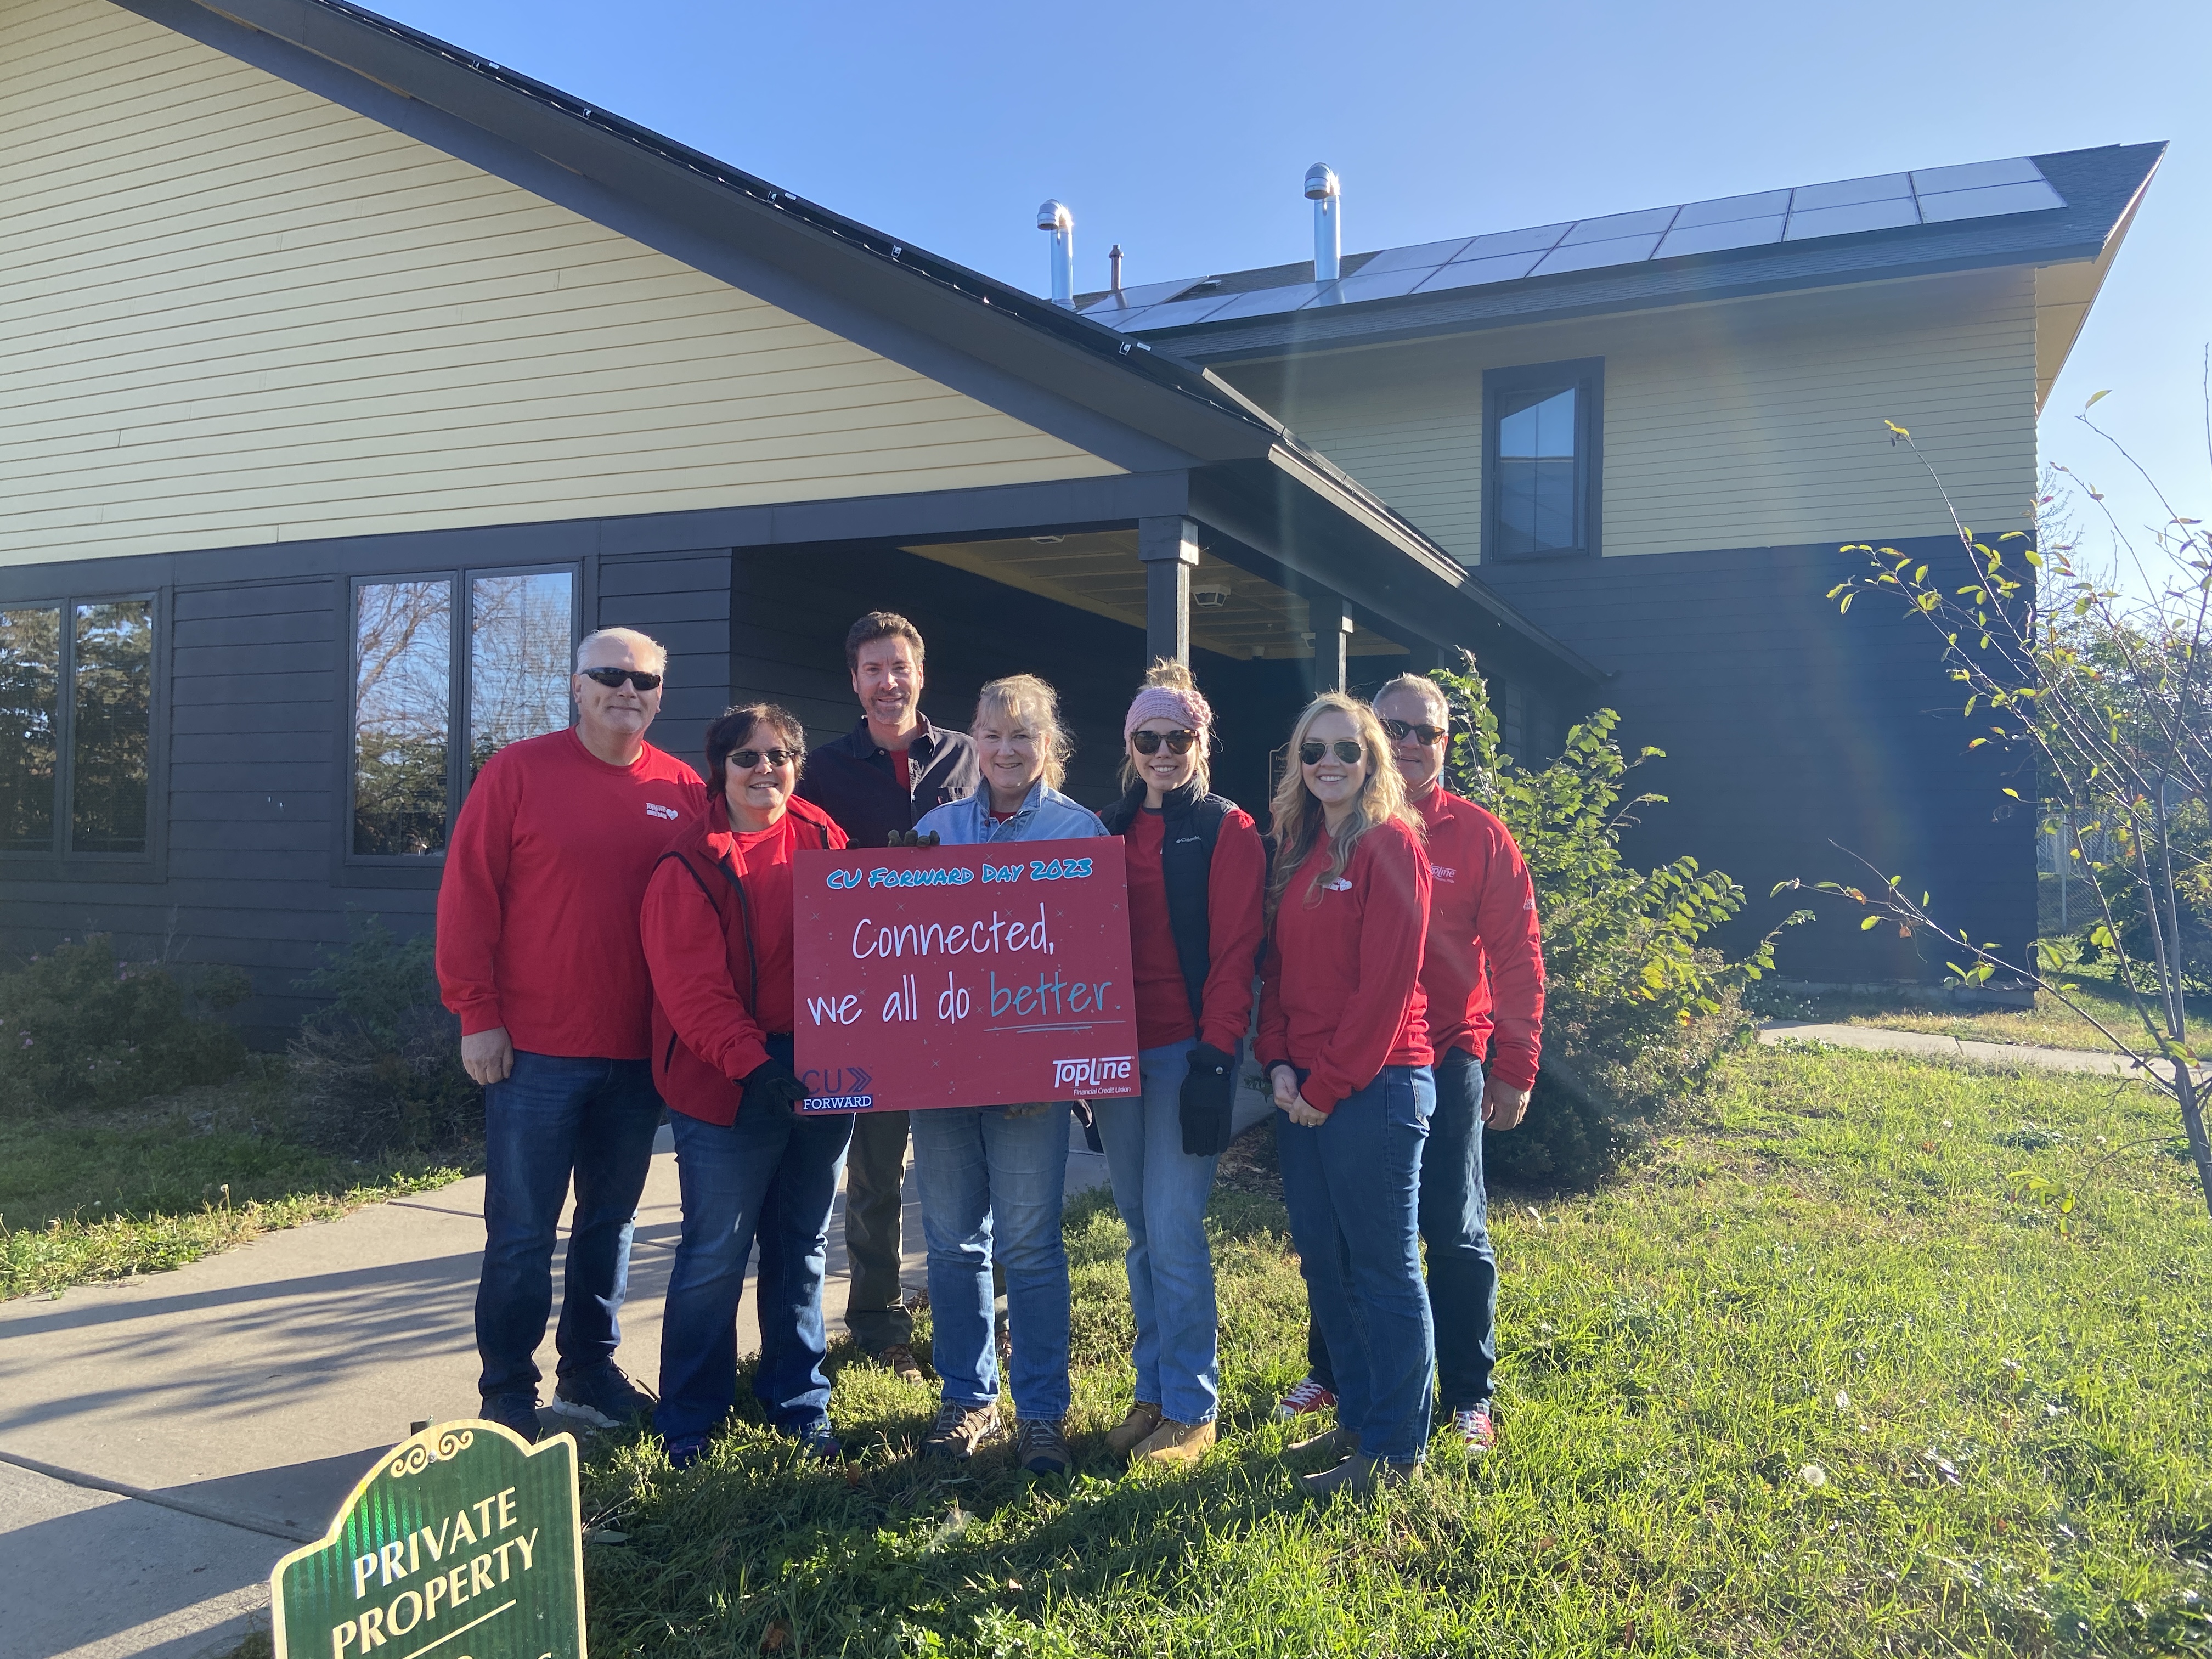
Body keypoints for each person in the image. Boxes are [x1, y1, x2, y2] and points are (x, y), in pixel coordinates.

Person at [437, 626, 705, 1444]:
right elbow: (468, 897)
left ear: (661, 693)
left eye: (645, 680)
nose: (628, 691)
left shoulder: (686, 789)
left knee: (609, 1225)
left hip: (639, 1054)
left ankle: (589, 1369)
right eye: (610, 676)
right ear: (578, 686)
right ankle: (507, 1392)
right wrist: (476, 1015)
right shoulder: (518, 773)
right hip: (535, 1052)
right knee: (521, 1232)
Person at [1277, 674, 1545, 1456]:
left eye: (1423, 731)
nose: (1407, 742)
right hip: (1340, 1061)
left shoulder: (1472, 836)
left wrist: (1516, 1063)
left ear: (1444, 743)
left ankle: (1466, 1395)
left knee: (1448, 1231)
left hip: (1440, 1054)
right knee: (1344, 1237)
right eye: (1392, 727)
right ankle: (1343, 1382)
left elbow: (1518, 956)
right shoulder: (1320, 834)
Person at [640, 704, 856, 1467]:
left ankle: (797, 1401)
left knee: (801, 1246)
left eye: (780, 755)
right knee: (715, 1251)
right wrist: (756, 1066)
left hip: (824, 1076)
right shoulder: (689, 862)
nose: (765, 769)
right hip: (725, 1084)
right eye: (747, 758)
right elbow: (691, 992)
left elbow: (861, 951)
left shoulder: (824, 838)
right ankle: (690, 1418)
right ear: (719, 769)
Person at [908, 674, 1107, 1476]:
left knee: (1028, 1247)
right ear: (973, 741)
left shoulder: (1079, 832)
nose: (1003, 749)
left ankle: (1043, 1415)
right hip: (941, 1081)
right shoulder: (933, 830)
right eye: (990, 734)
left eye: (1021, 736)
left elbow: (1096, 963)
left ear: (1048, 747)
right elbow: (899, 957)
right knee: (953, 1246)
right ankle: (967, 1401)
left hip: (1031, 1082)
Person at [1257, 692, 1436, 1499]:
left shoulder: (1390, 845)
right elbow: (1285, 977)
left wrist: (1326, 1085)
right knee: (1328, 1268)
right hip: (1306, 1094)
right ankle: (1360, 1420)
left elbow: (1386, 990)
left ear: (1374, 762)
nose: (1327, 763)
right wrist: (1280, 1067)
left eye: (1346, 751)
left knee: (1385, 1272)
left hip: (1379, 1087)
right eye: (1312, 751)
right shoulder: (1302, 848)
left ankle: (1396, 1455)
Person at [796, 613, 979, 1385]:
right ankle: (877, 1321)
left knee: (965, 1166)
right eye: (874, 669)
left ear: (921, 674)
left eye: (900, 667)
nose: (888, 682)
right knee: (875, 1169)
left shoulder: (968, 756)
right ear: (855, 680)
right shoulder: (826, 769)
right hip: (868, 999)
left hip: (963, 990)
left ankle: (968, 1307)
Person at [1092, 662, 1266, 1466]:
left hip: (1186, 1053)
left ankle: (1195, 1410)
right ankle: (1154, 1391)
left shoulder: (1227, 828)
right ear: (1130, 744)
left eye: (1180, 737)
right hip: (1116, 1056)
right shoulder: (1108, 828)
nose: (1165, 751)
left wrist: (1215, 1057)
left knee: (1174, 1228)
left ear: (1202, 741)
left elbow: (1237, 954)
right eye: (1148, 738)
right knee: (1137, 1232)